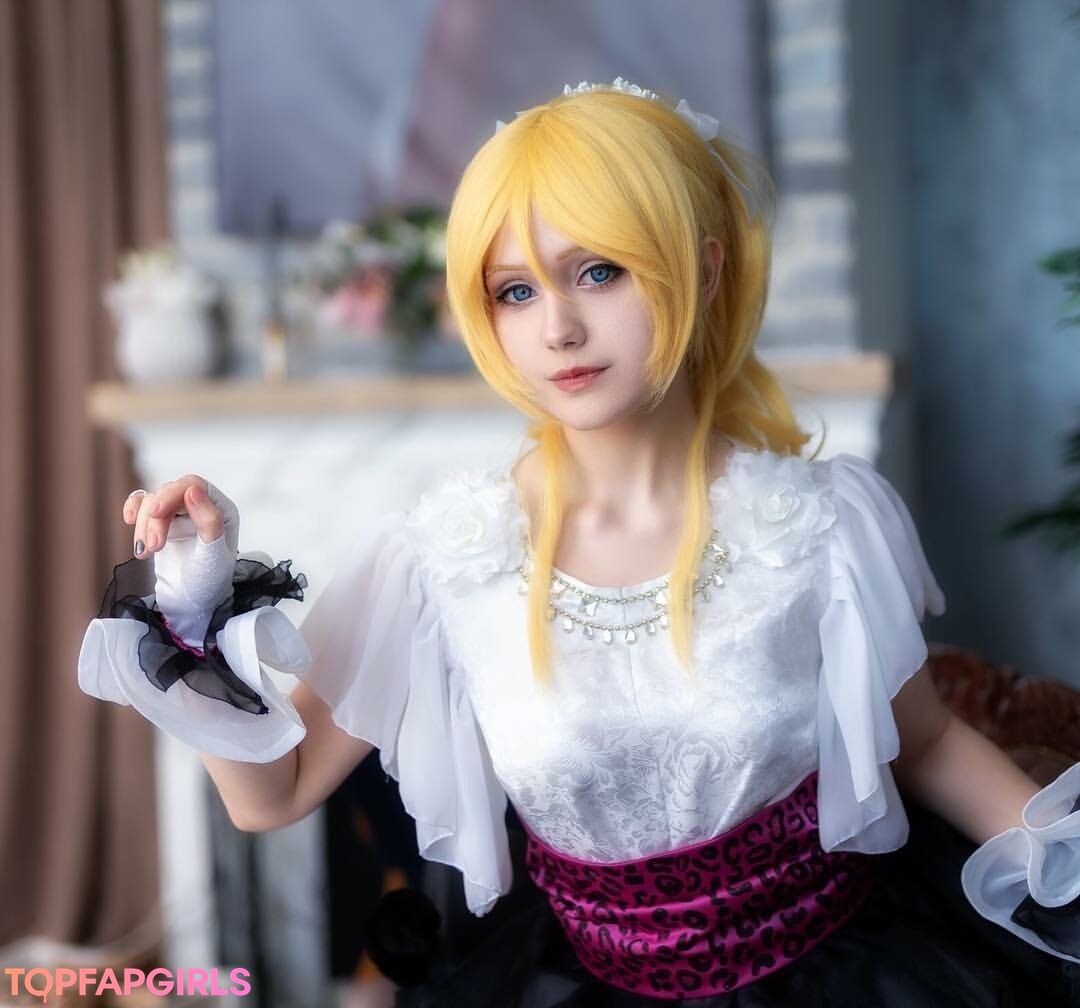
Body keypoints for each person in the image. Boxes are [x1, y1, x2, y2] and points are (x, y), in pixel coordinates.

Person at [78, 79, 1080, 1006]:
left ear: (704, 269)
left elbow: (927, 742)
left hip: (839, 972)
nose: (557, 327)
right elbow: (274, 797)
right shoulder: (442, 560)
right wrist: (192, 610)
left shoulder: (823, 523)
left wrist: (1064, 861)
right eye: (514, 291)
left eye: (599, 272)